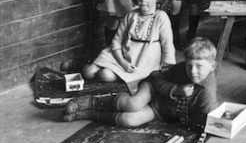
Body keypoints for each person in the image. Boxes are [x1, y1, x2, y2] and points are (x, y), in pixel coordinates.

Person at [63, 37, 217, 128]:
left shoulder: (206, 93)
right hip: (153, 88)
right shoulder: (180, 69)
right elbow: (156, 77)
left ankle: (90, 113)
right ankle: (92, 102)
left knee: (128, 120)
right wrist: (175, 90)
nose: (192, 71)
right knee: (133, 104)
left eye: (199, 66)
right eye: (189, 65)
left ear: (212, 66)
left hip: (161, 109)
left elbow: (204, 120)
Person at [82, 0, 176, 92]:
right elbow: (117, 40)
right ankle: (82, 63)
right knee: (88, 72)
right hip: (123, 54)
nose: (144, 0)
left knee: (105, 75)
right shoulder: (131, 15)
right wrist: (122, 62)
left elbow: (168, 45)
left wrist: (168, 70)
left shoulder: (161, 17)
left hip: (143, 60)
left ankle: (106, 71)